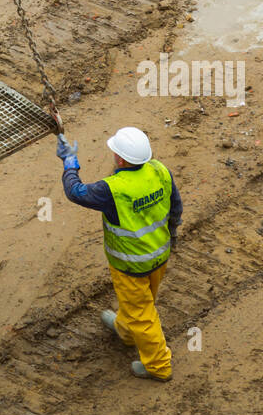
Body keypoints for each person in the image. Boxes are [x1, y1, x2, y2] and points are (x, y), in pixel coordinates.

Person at [56, 125, 182, 381]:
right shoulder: (160, 171)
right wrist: (173, 235)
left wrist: (70, 163)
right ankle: (125, 330)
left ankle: (159, 366)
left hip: (130, 266)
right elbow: (176, 207)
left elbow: (75, 192)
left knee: (144, 316)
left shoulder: (112, 189)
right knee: (141, 303)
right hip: (159, 254)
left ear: (121, 159)